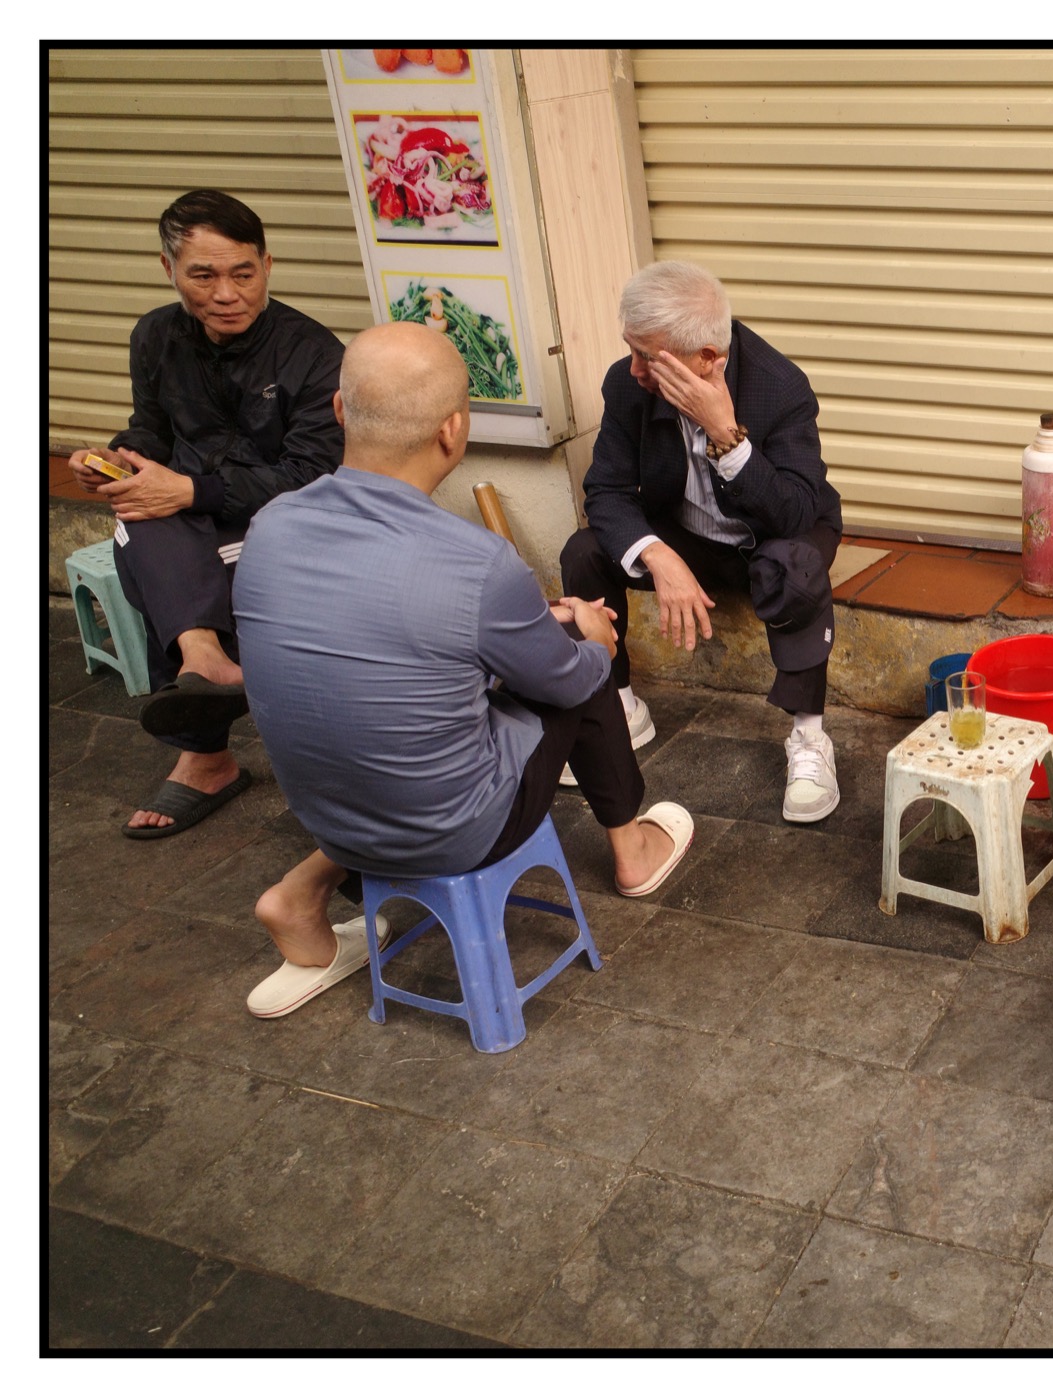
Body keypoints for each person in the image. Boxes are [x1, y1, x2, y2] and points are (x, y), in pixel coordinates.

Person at [233, 323, 693, 1019]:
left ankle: (302, 893)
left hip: (329, 818)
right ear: (453, 430)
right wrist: (595, 639)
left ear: (339, 410)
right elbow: (566, 682)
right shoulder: (476, 562)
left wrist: (528, 626)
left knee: (399, 703)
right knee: (579, 658)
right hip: (453, 832)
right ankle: (633, 851)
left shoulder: (270, 525)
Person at [67, 190, 347, 838]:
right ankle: (205, 668)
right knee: (138, 514)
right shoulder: (156, 335)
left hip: (282, 518)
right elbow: (151, 431)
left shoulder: (313, 353)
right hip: (188, 513)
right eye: (203, 276)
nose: (226, 294)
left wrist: (190, 492)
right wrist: (115, 460)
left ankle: (205, 745)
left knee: (150, 542)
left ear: (267, 265)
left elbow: (311, 476)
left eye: (243, 274)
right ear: (169, 269)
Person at [558, 261, 845, 822]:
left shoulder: (780, 387)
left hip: (771, 534)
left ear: (706, 358)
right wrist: (659, 556)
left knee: (796, 563)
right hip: (687, 534)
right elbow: (606, 491)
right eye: (630, 349)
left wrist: (725, 435)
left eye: (648, 356)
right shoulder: (628, 384)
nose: (634, 368)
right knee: (584, 550)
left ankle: (810, 739)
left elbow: (793, 513)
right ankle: (617, 708)